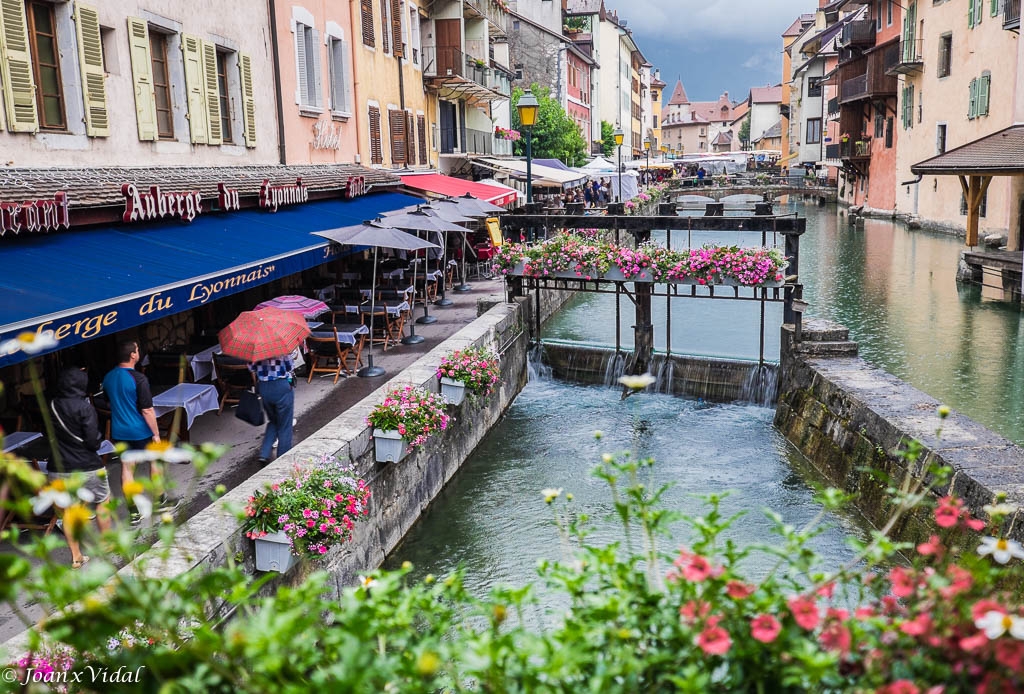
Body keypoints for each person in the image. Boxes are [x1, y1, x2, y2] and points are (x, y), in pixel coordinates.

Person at [49, 367, 112, 568]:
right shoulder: (85, 408)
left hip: (57, 467)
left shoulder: (52, 405)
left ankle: (76, 556)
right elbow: (93, 442)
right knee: (103, 500)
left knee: (69, 510)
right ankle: (106, 543)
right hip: (87, 465)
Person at [102, 339, 166, 522]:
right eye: (137, 349)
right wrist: (156, 434)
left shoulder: (108, 377)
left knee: (127, 469)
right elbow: (147, 409)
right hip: (140, 429)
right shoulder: (138, 378)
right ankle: (160, 500)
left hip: (119, 430)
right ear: (133, 355)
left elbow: (108, 402)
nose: (139, 352)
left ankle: (133, 512)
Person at [250, 354, 295, 465]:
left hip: (264, 387)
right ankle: (282, 459)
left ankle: (264, 453)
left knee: (273, 420)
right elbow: (290, 367)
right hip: (281, 386)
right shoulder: (281, 350)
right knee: (285, 424)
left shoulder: (255, 351)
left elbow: (251, 368)